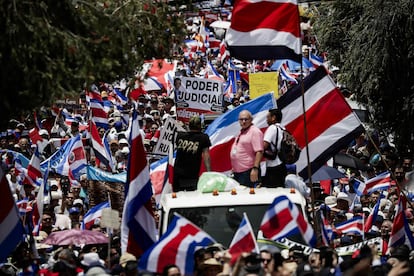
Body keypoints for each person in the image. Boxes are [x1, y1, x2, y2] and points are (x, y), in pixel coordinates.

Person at [173, 115, 211, 192]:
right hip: (192, 174)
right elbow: (206, 156)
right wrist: (209, 172)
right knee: (191, 198)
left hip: (177, 174)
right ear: (200, 125)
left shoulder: (180, 135)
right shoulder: (203, 137)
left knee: (178, 198)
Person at [230, 110, 263, 187]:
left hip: (248, 172)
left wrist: (255, 169)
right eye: (241, 119)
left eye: (246, 119)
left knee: (248, 197)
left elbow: (259, 151)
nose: (243, 121)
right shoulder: (242, 132)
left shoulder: (255, 131)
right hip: (238, 172)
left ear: (251, 120)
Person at [263, 108, 287, 187]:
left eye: (268, 117)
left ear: (273, 118)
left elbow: (264, 146)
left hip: (273, 166)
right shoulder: (283, 129)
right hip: (282, 164)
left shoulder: (272, 128)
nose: (266, 120)